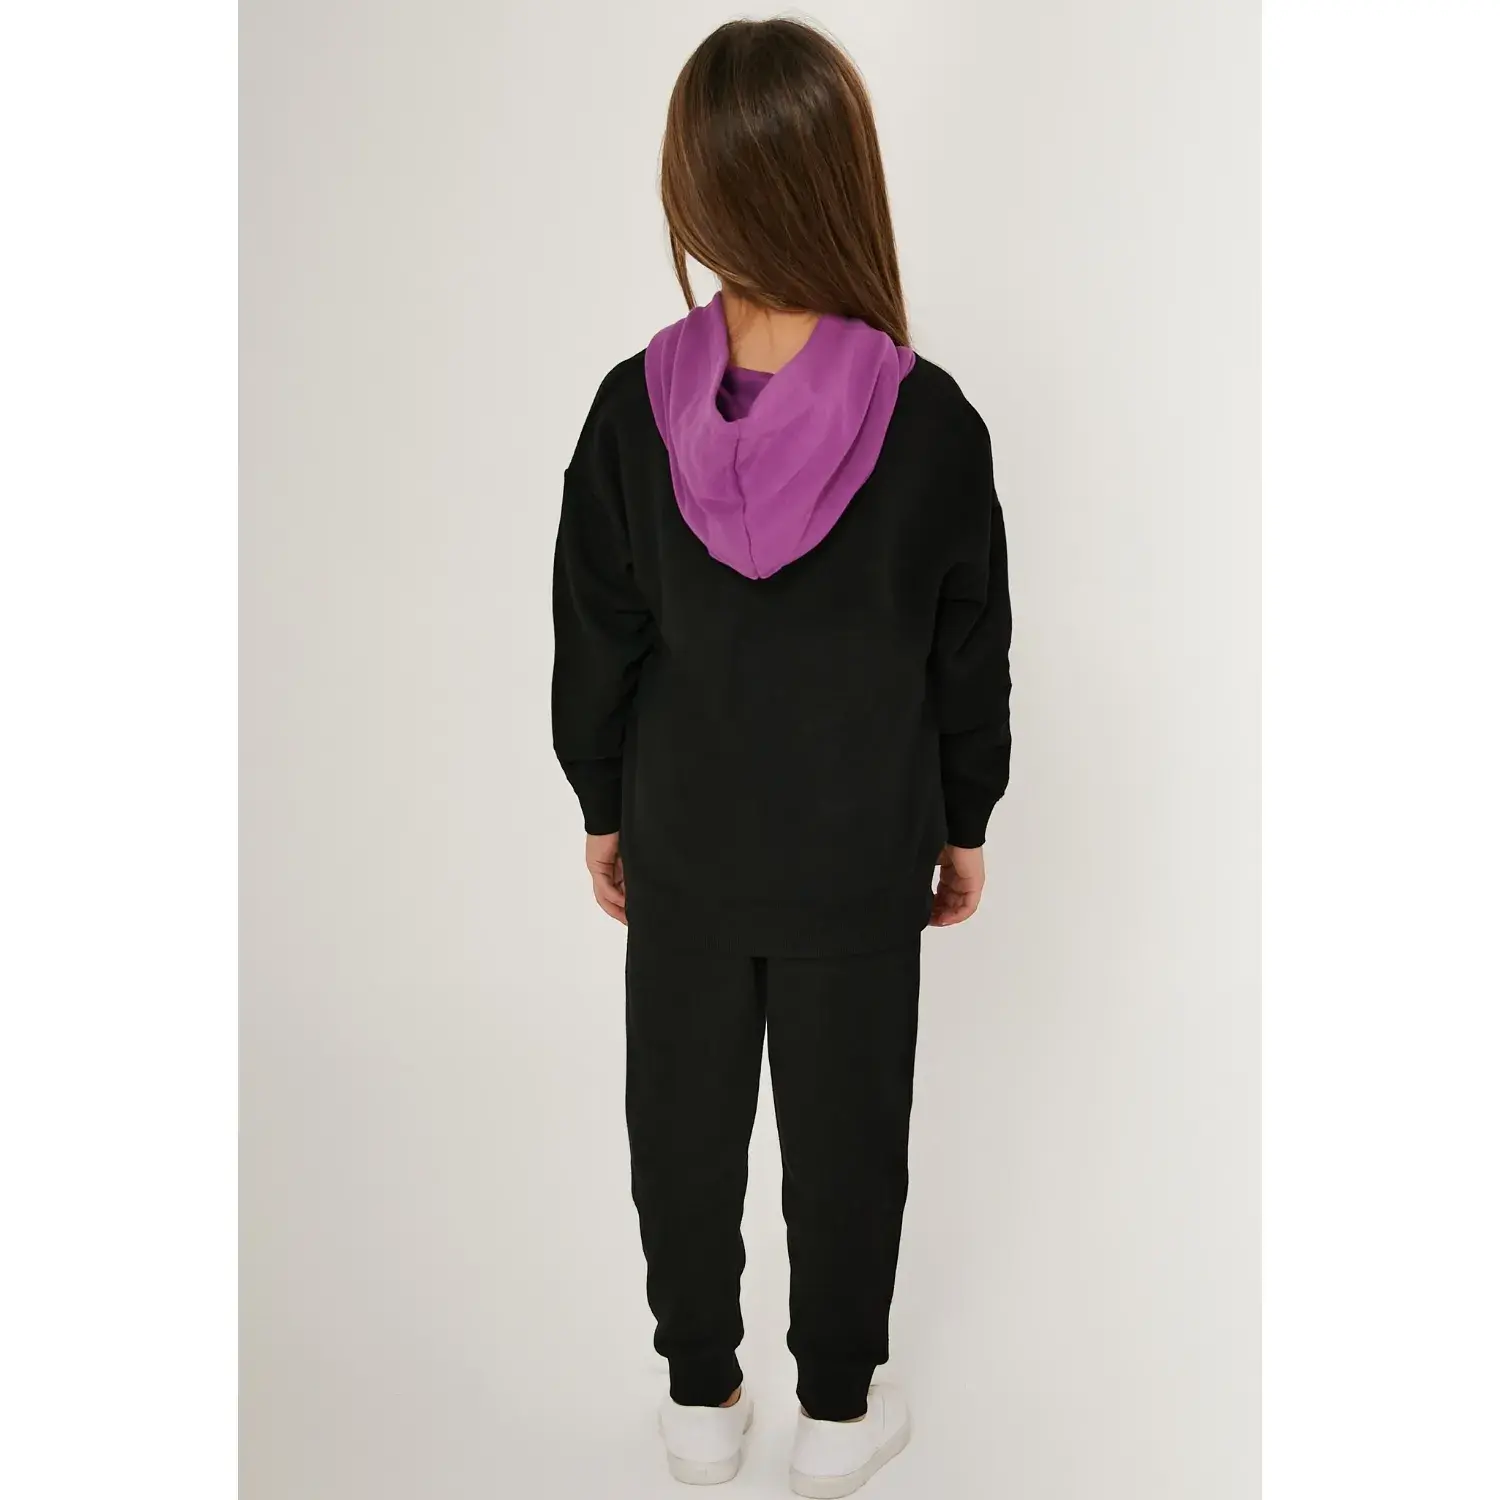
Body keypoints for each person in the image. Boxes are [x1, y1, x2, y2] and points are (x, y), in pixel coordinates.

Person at [551, 17, 1011, 1496]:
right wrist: (964, 822)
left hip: (685, 844)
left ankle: (701, 1402)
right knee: (848, 1132)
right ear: (840, 180)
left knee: (680, 1125)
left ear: (695, 190)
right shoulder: (929, 422)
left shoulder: (633, 411)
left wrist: (603, 804)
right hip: (860, 856)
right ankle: (836, 1414)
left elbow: (598, 635)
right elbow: (966, 657)